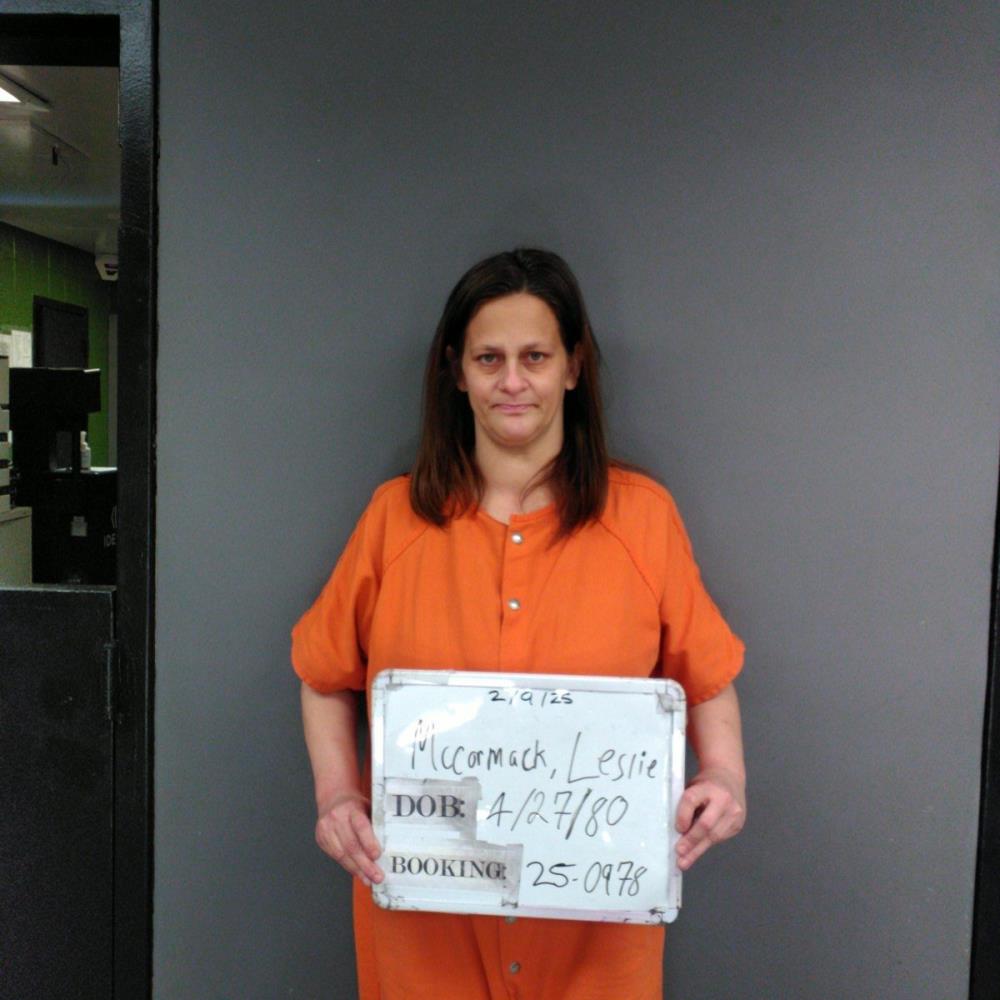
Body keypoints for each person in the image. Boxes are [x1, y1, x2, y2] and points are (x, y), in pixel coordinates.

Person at [292, 248, 746, 1000]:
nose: (511, 381)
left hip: (596, 937)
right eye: (488, 358)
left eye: (535, 356)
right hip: (426, 933)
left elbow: (708, 679)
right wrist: (337, 796)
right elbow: (322, 674)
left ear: (572, 367)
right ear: (456, 371)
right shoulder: (393, 521)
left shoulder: (643, 520)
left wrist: (725, 776)